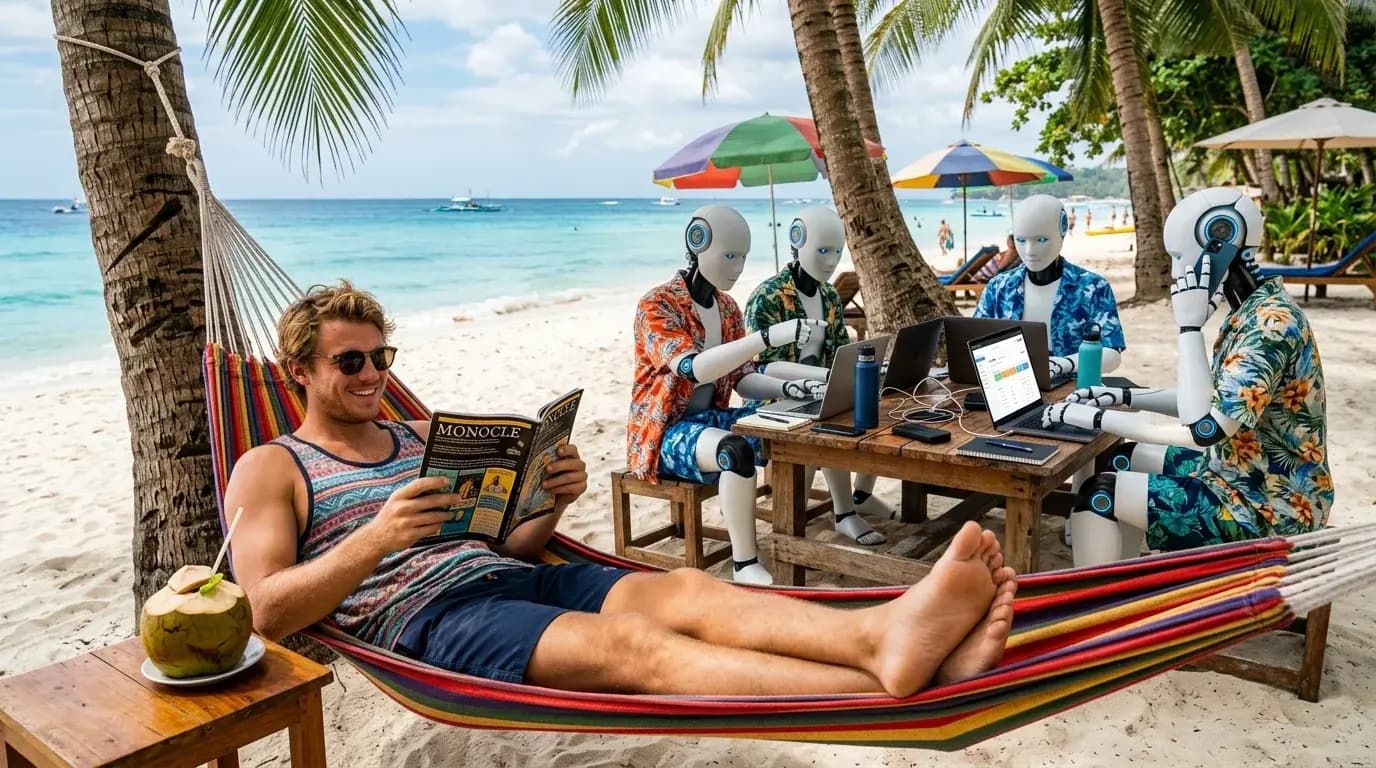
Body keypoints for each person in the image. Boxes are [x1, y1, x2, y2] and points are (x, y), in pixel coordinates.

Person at [226, 280, 1018, 696]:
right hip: (430, 621)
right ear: (300, 372)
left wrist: (552, 501)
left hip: (515, 577)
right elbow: (261, 611)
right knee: (640, 650)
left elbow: (505, 544)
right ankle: (882, 684)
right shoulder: (273, 466)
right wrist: (378, 537)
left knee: (683, 592)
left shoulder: (413, 436)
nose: (372, 376)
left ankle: (881, 640)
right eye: (350, 362)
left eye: (381, 357)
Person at [1044, 187, 1332, 566]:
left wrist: (1189, 327)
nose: (1176, 270)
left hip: (1269, 506)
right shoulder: (1251, 310)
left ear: (1220, 240)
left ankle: (1099, 611)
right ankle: (1126, 589)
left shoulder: (1269, 326)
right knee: (1119, 459)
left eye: (1180, 257)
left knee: (1100, 493)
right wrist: (1123, 398)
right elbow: (1210, 397)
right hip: (1237, 471)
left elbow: (1205, 428)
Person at [630, 205, 836, 585]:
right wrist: (768, 337)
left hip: (712, 418)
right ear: (697, 243)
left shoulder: (727, 308)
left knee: (799, 432)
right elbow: (694, 367)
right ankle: (744, 564)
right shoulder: (657, 305)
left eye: (742, 257)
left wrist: (788, 388)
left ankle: (789, 531)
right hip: (664, 433)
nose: (737, 267)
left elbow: (742, 378)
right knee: (735, 450)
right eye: (729, 256)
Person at [745, 206, 898, 545]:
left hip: (823, 391)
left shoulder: (829, 294)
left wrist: (866, 369)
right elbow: (761, 368)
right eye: (823, 251)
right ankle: (825, 517)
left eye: (838, 252)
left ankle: (853, 503)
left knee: (879, 412)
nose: (831, 261)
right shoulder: (766, 298)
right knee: (831, 425)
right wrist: (826, 379)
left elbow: (840, 353)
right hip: (779, 399)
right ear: (797, 243)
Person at [975, 195, 1126, 381]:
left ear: (1062, 230)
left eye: (1041, 240)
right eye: (1021, 240)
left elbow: (1112, 353)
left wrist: (1065, 364)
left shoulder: (1093, 287)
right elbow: (974, 344)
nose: (1030, 251)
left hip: (1074, 391)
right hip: (1011, 388)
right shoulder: (998, 287)